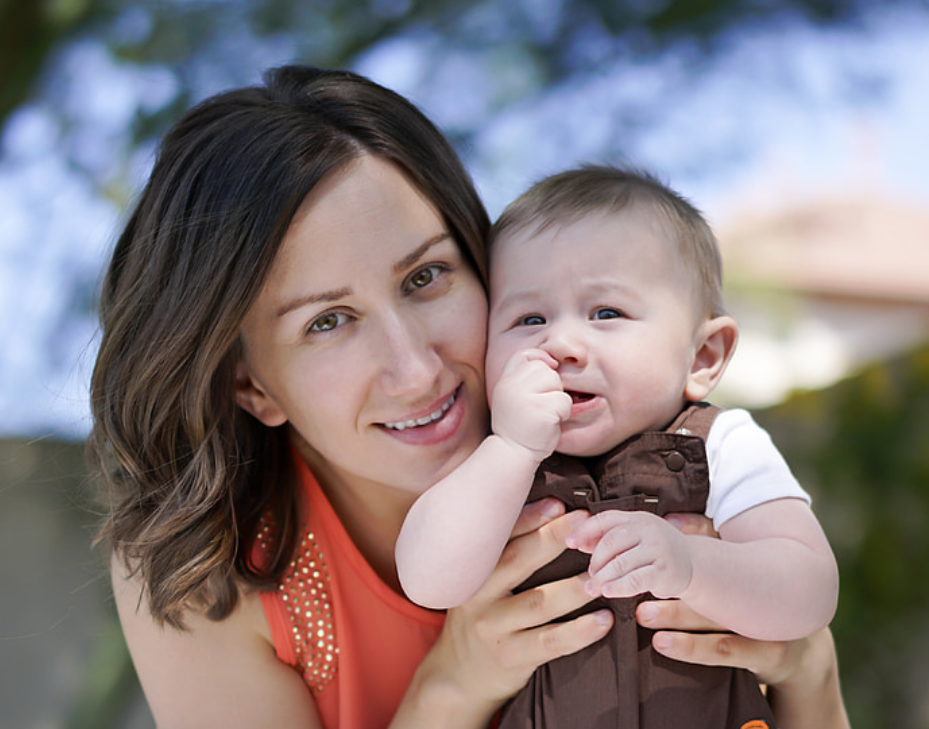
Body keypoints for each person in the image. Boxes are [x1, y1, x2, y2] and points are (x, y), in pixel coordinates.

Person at [87, 65, 850, 729]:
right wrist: (453, 686)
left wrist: (809, 670)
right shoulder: (202, 565)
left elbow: (798, 642)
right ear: (251, 384)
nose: (417, 368)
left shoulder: (635, 437)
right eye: (328, 321)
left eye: (425, 277)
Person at [395, 166, 839, 728]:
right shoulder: (498, 459)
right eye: (529, 318)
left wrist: (692, 565)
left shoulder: (722, 443)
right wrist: (509, 448)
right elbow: (429, 580)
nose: (560, 343)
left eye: (606, 313)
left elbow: (810, 590)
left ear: (702, 357)